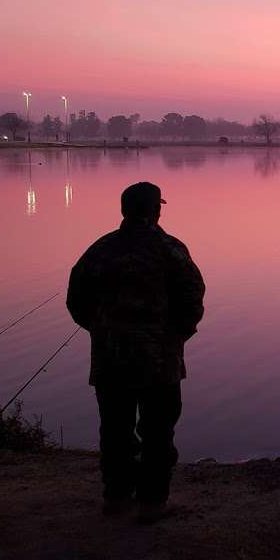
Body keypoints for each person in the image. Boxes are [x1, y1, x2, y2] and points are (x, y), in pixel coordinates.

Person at [67, 181, 205, 522]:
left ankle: (116, 498)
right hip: (160, 364)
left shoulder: (100, 250)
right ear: (156, 210)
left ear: (124, 210)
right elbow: (192, 299)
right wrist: (176, 337)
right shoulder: (170, 249)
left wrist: (101, 331)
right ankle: (152, 503)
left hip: (110, 361)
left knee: (115, 429)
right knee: (158, 431)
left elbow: (76, 300)